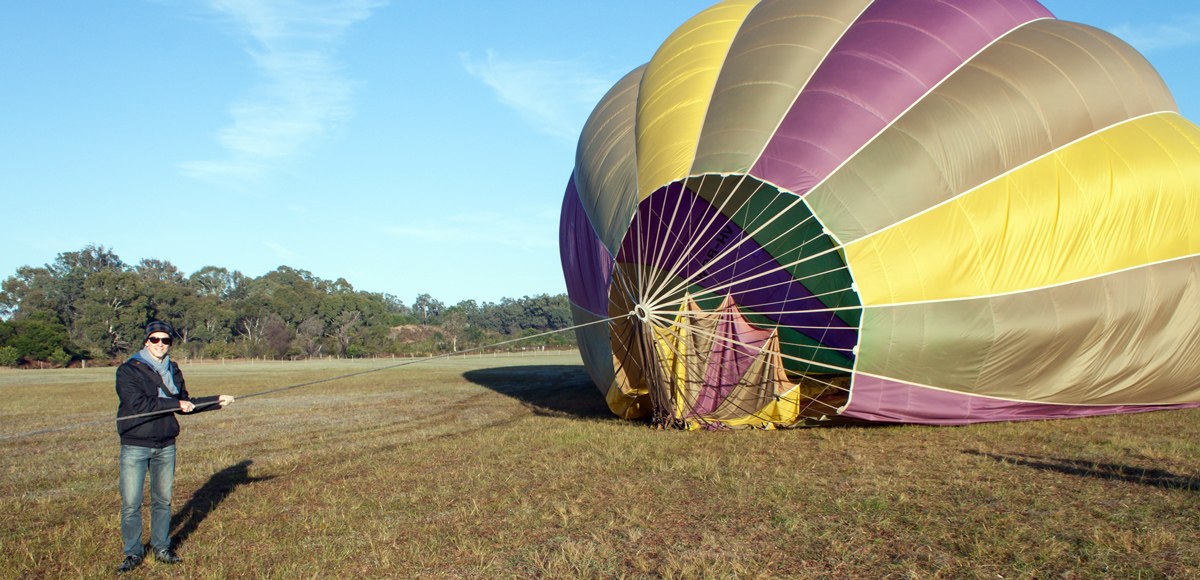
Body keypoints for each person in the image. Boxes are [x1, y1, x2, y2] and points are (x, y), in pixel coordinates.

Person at [115, 320, 234, 573]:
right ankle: (133, 554)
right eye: (155, 339)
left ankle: (161, 548)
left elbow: (184, 402)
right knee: (131, 503)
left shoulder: (173, 369)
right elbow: (138, 405)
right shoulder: (128, 370)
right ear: (146, 341)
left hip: (166, 443)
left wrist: (216, 401)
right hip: (135, 443)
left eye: (166, 340)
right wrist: (176, 405)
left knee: (163, 500)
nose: (160, 344)